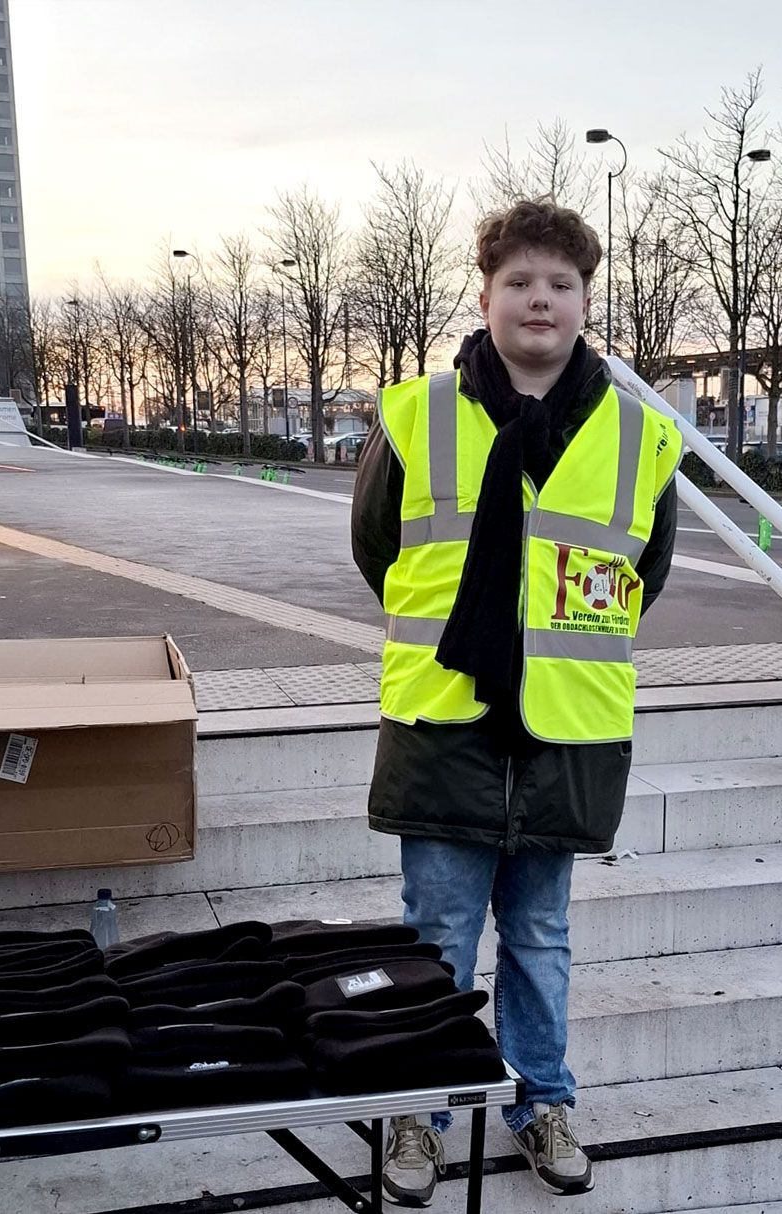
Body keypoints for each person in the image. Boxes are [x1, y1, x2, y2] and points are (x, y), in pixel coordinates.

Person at [351, 199, 681, 1204]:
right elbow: (376, 547)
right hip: (446, 718)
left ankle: (542, 1100)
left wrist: (546, 641)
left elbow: (644, 572)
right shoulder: (416, 413)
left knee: (538, 936)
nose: (539, 299)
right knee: (437, 932)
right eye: (518, 282)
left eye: (560, 283)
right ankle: (421, 1105)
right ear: (485, 295)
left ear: (584, 300)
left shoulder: (639, 434)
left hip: (562, 732)